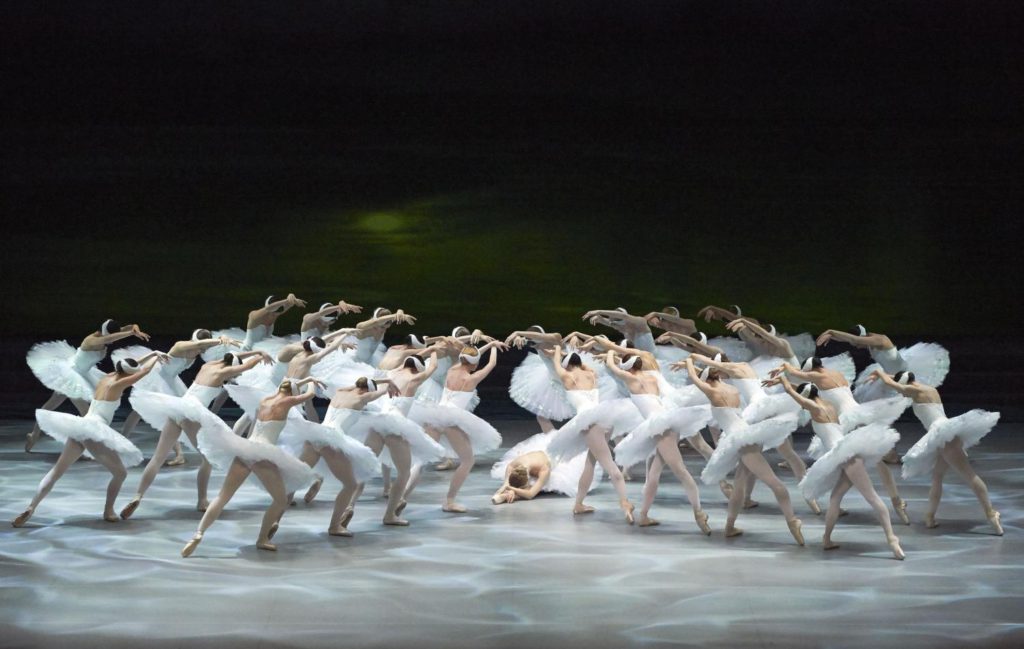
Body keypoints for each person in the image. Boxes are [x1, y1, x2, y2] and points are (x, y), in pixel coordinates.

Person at [13, 355, 165, 527]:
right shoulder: (119, 384)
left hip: (81, 426)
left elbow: (134, 367)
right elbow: (143, 371)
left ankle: (31, 507)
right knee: (120, 473)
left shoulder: (107, 377)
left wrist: (152, 355)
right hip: (94, 430)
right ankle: (108, 511)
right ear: (127, 374)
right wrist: (157, 356)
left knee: (57, 472)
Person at [767, 375, 905, 559]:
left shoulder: (815, 408)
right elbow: (804, 391)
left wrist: (784, 382)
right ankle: (826, 539)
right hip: (846, 453)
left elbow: (795, 394)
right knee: (835, 497)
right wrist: (789, 384)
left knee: (872, 497)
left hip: (847, 456)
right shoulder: (828, 404)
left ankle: (892, 539)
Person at [122, 350, 273, 518]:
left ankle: (138, 495)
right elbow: (247, 365)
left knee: (158, 458)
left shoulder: (208, 366)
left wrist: (256, 351)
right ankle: (202, 500)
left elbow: (232, 358)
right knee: (207, 459)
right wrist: (260, 356)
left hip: (177, 408)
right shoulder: (223, 372)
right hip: (192, 413)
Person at [183, 378, 320, 556]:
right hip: (263, 454)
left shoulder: (265, 400)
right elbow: (310, 394)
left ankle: (198, 534)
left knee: (223, 496)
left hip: (245, 450)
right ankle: (262, 539)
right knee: (280, 501)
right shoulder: (287, 402)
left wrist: (301, 380)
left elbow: (285, 387)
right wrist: (312, 381)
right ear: (292, 393)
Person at [686, 357, 805, 546]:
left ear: (707, 380)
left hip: (742, 442)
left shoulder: (712, 392)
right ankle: (729, 527)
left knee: (775, 483)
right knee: (739, 484)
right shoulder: (732, 389)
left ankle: (792, 521)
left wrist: (689, 362)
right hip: (749, 435)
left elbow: (694, 377)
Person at [867, 370, 1002, 535]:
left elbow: (893, 384)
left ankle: (990, 513)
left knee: (970, 476)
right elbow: (898, 379)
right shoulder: (927, 388)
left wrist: (878, 372)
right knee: (937, 477)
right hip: (945, 433)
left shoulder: (915, 392)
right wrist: (886, 375)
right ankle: (929, 517)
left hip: (943, 437)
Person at [606, 351, 713, 534]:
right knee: (653, 474)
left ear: (629, 367)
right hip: (668, 421)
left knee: (680, 470)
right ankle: (644, 516)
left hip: (661, 428)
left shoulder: (631, 380)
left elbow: (612, 366)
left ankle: (699, 512)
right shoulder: (652, 376)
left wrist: (609, 353)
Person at [326, 376, 446, 527]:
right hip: (395, 426)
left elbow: (362, 386)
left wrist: (387, 381)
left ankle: (350, 505)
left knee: (365, 469)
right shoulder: (411, 380)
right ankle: (390, 515)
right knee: (404, 473)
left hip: (377, 424)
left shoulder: (392, 372)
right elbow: (430, 370)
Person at [406, 343, 506, 512]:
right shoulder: (471, 378)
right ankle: (449, 500)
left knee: (422, 461)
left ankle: (401, 496)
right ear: (474, 363)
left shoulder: (452, 369)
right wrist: (494, 346)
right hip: (452, 420)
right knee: (468, 461)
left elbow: (468, 356)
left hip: (434, 415)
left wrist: (487, 345)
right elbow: (492, 364)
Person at [25, 319, 151, 451]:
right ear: (104, 333)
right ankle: (88, 448)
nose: (112, 341)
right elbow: (113, 337)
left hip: (84, 374)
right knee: (87, 413)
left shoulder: (105, 336)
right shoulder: (91, 340)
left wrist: (135, 330)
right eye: (110, 337)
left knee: (52, 404)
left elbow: (130, 326)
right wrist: (130, 333)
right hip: (72, 375)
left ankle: (34, 434)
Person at [545, 347, 639, 523]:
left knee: (610, 466)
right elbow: (584, 367)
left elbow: (557, 365)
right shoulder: (591, 374)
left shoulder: (568, 377)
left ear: (567, 366)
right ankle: (578, 504)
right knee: (590, 463)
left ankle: (625, 503)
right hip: (606, 419)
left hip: (590, 423)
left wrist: (557, 350)